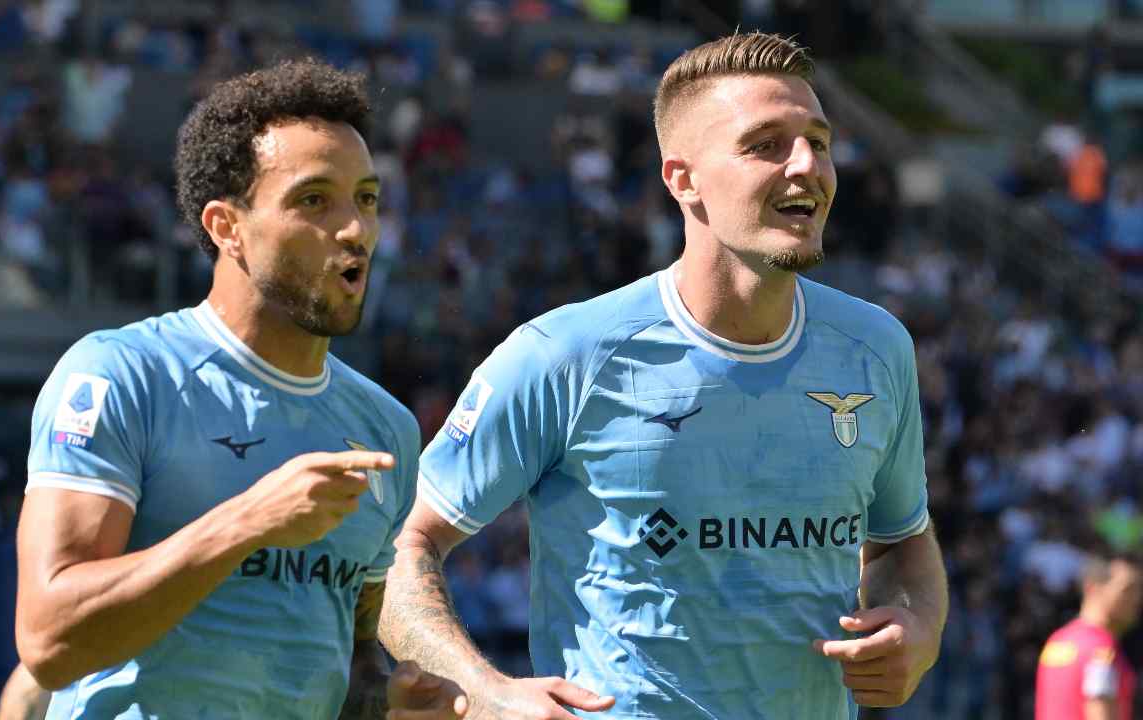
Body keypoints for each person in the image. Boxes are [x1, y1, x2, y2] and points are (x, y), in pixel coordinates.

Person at [379, 32, 948, 719]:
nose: (808, 165)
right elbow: (397, 542)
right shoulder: (565, 353)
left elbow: (901, 540)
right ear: (683, 179)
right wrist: (485, 690)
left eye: (818, 142)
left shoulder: (876, 348)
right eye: (766, 144)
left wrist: (917, 624)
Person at [14, 57, 449, 719]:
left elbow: (352, 659)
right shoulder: (121, 376)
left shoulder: (385, 428)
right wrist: (248, 521)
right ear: (226, 227)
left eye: (365, 199)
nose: (355, 229)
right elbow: (50, 640)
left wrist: (389, 703)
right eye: (313, 200)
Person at [1035, 553, 1142, 720]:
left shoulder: (1058, 640)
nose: (1137, 600)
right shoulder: (1101, 652)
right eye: (1128, 590)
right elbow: (1100, 709)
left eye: (1139, 590)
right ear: (1092, 588)